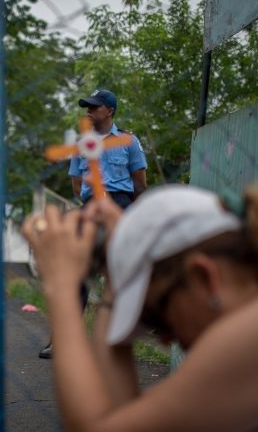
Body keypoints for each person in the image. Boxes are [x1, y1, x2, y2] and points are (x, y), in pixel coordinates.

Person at [22, 184, 258, 431]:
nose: (164, 340)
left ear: (205, 277)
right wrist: (117, 266)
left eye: (157, 318)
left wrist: (62, 287)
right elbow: (115, 416)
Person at [39, 88, 148, 359]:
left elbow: (140, 183)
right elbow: (77, 185)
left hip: (120, 206)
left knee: (119, 275)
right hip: (90, 208)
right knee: (77, 274)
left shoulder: (128, 141)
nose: (88, 111)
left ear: (109, 110)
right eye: (86, 107)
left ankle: (116, 342)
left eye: (94, 107)